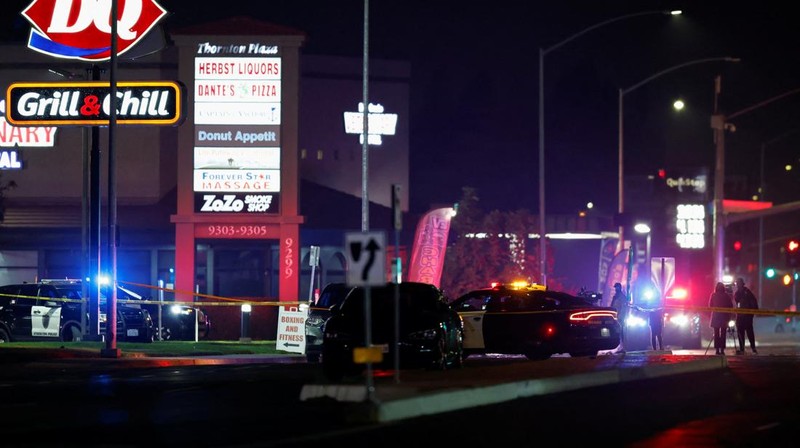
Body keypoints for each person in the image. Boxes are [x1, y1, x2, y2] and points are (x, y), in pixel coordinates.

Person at [733, 277, 758, 354]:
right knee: (741, 333)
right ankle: (742, 348)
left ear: (741, 284)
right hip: (740, 316)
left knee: (749, 332)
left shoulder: (747, 292)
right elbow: (737, 301)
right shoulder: (738, 293)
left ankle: (753, 347)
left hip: (747, 316)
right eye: (737, 284)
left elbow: (753, 301)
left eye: (738, 283)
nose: (737, 285)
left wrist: (752, 312)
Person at [709, 282, 733, 355]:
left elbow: (710, 305)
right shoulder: (726, 296)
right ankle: (722, 349)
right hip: (724, 317)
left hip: (716, 317)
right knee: (723, 333)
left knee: (716, 334)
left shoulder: (713, 295)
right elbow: (730, 305)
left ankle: (717, 349)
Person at [610, 282, 628, 351]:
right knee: (616, 332)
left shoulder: (622, 297)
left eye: (616, 287)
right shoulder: (615, 297)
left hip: (620, 318)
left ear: (619, 288)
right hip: (614, 317)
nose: (615, 289)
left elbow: (624, 308)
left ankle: (622, 347)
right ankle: (618, 347)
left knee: (621, 332)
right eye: (615, 288)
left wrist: (620, 317)